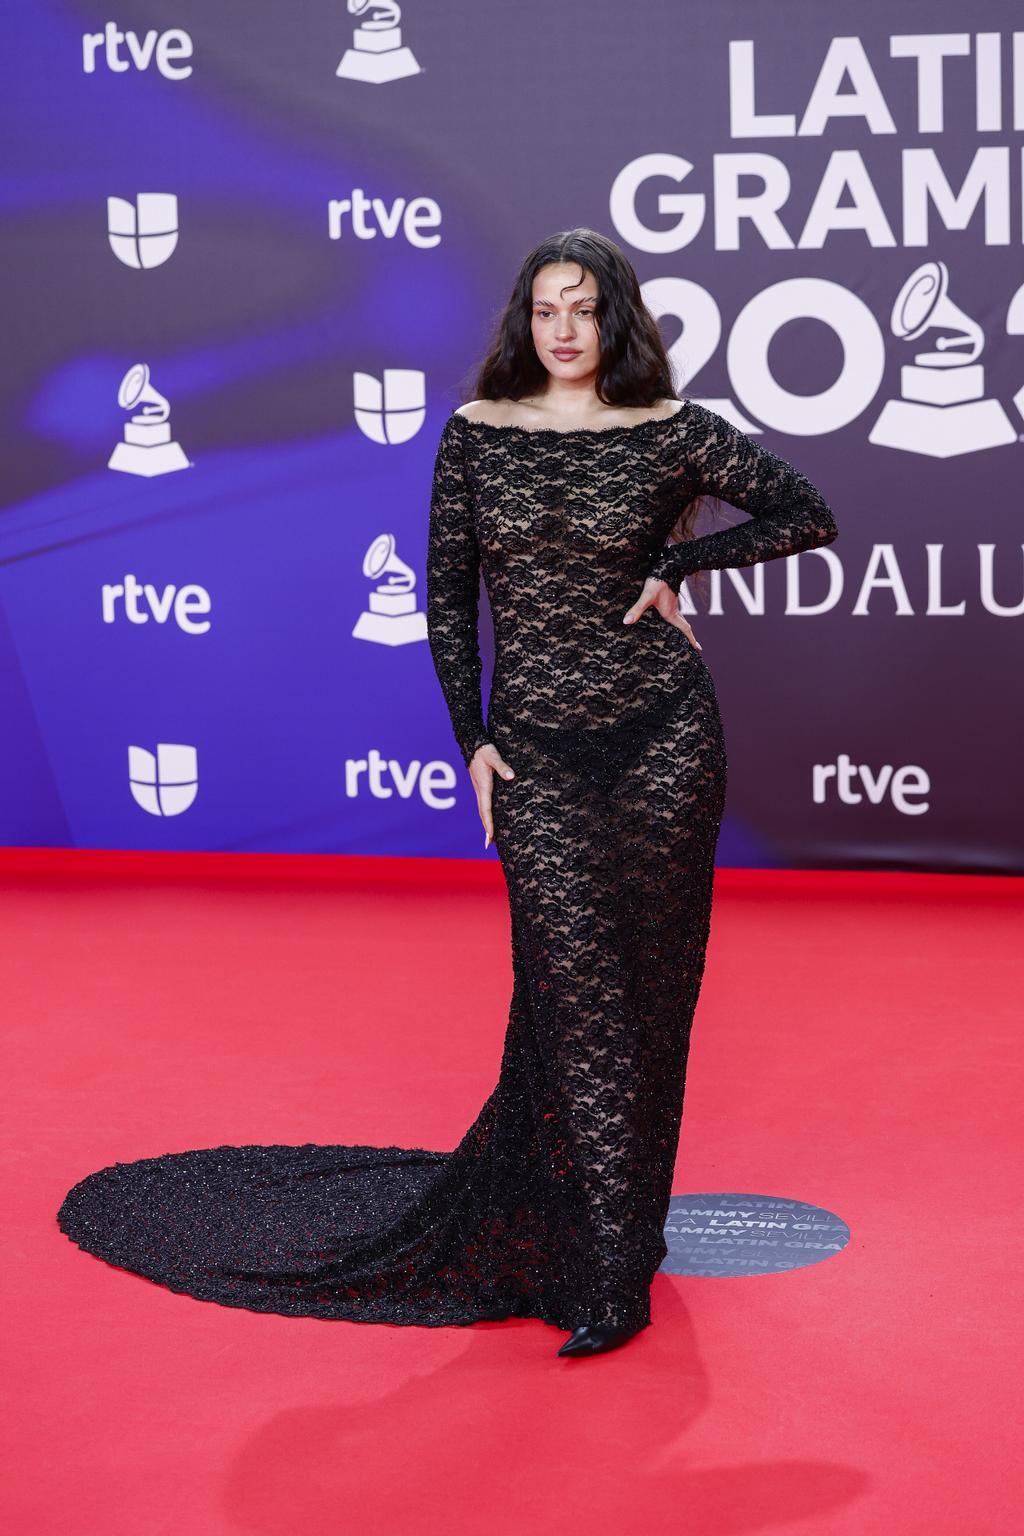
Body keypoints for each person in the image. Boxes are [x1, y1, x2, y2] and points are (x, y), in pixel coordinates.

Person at [56, 228, 838, 1360]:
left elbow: (807, 512)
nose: (561, 331)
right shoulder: (477, 434)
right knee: (576, 998)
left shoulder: (669, 433)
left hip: (665, 736)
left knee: (654, 990)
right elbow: (443, 599)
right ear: (525, 324)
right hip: (534, 755)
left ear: (614, 321)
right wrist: (471, 739)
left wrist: (678, 566)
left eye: (582, 310)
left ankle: (620, 1251)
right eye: (543, 311)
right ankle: (607, 1257)